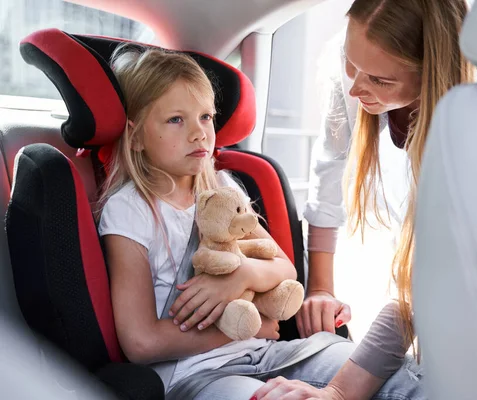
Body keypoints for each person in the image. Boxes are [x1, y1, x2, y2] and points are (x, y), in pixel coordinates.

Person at [97, 44, 425, 400]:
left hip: (268, 353)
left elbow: (283, 268)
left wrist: (241, 277)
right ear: (136, 135)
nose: (199, 133)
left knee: (394, 373)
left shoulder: (222, 187)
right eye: (176, 119)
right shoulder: (129, 210)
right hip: (198, 374)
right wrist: (254, 327)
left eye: (206, 117)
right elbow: (141, 342)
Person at [255, 0, 475, 398]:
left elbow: (418, 292)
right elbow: (328, 173)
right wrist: (320, 288)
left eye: (379, 80)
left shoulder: (472, 153)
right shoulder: (358, 72)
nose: (355, 88)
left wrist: (338, 392)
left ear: (434, 76)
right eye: (349, 63)